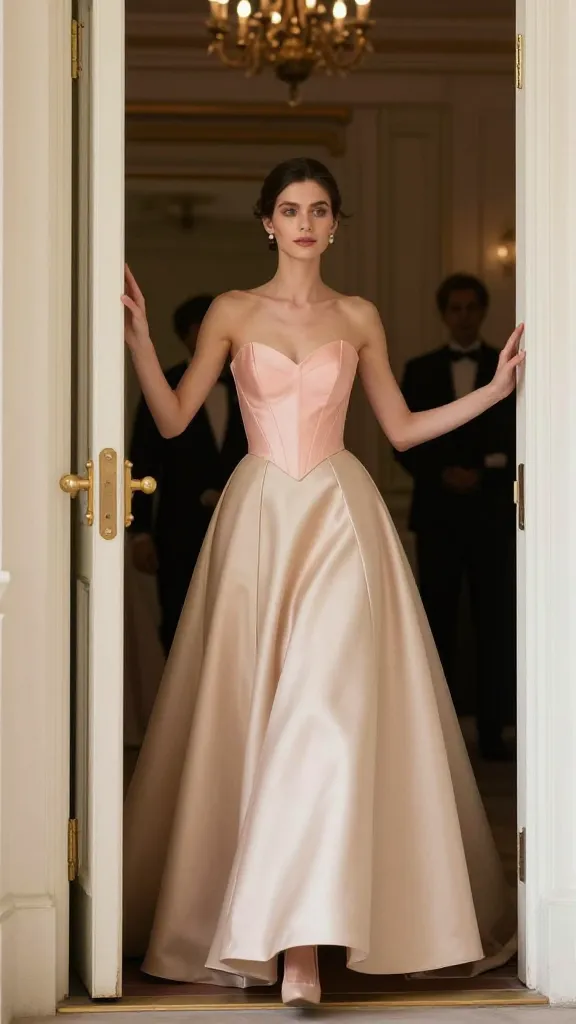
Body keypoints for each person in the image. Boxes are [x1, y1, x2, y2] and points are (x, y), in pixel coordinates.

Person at [122, 158, 524, 1006]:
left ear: (336, 225)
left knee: (326, 716)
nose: (305, 223)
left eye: (320, 210)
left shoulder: (359, 315)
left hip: (342, 519)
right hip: (260, 517)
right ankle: (266, 932)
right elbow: (171, 419)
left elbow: (405, 431)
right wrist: (136, 342)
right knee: (254, 716)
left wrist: (493, 391)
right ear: (267, 222)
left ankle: (301, 945)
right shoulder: (232, 312)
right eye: (290, 209)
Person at [394, 274, 516, 761]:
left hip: (492, 516)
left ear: (482, 312)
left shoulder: (501, 365)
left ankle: (492, 730)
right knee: (435, 623)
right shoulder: (419, 369)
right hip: (439, 516)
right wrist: (442, 472)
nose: (464, 315)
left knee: (495, 623)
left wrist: (484, 474)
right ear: (444, 313)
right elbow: (400, 438)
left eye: (471, 307)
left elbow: (514, 434)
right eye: (456, 308)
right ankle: (438, 736)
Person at [129, 295, 247, 655]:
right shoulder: (163, 384)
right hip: (179, 527)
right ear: (185, 336)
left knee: (238, 621)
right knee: (179, 620)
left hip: (242, 524)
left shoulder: (252, 380)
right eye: (201, 330)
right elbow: (143, 457)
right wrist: (141, 533)